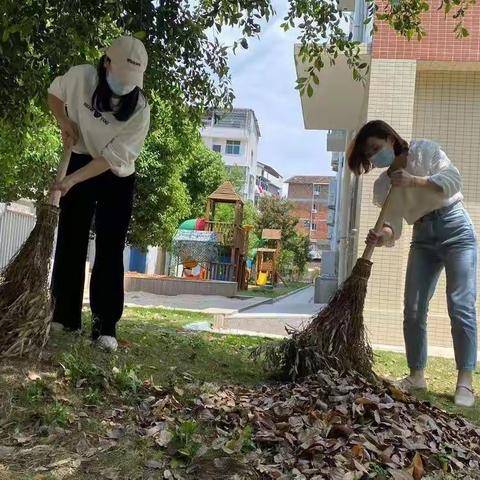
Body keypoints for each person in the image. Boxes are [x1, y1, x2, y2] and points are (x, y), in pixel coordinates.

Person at [347, 120, 477, 408]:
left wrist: (414, 180)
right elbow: (395, 226)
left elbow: (453, 180)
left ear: (391, 138)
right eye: (369, 156)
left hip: (455, 227)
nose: (374, 158)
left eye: (376, 148)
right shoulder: (384, 186)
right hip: (422, 237)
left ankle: (465, 380)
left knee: (460, 304)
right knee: (414, 308)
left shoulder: (424, 152)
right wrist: (382, 236)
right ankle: (417, 374)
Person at [48, 35, 150, 352]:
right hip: (80, 153)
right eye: (120, 77)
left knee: (109, 245)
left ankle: (105, 327)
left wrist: (70, 181)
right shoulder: (81, 77)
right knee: (71, 236)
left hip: (115, 173)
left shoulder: (140, 111)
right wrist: (64, 120)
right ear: (106, 63)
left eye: (131, 82)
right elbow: (54, 94)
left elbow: (108, 161)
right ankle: (64, 316)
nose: (124, 86)